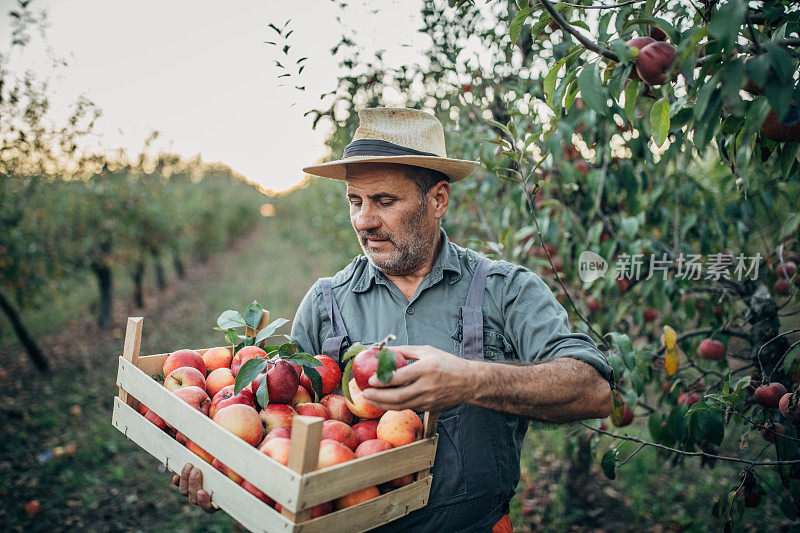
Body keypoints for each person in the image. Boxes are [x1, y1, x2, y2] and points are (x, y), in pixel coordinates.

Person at [174, 107, 614, 532]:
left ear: (438, 199)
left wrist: (470, 380)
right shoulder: (327, 303)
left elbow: (594, 391)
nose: (364, 221)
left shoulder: (505, 290)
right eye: (355, 201)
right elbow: (279, 436)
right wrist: (227, 478)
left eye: (384, 201)